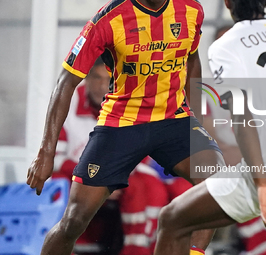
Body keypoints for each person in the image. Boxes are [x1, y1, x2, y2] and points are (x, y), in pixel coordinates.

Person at [26, 0, 224, 254]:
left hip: (174, 119)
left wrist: (194, 116)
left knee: (220, 183)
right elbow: (66, 81)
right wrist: (45, 153)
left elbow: (192, 59)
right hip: (121, 125)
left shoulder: (191, 10)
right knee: (74, 221)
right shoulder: (108, 20)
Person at [154, 1, 266, 255]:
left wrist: (262, 184)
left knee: (172, 219)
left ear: (227, 3)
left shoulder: (226, 45)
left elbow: (243, 119)